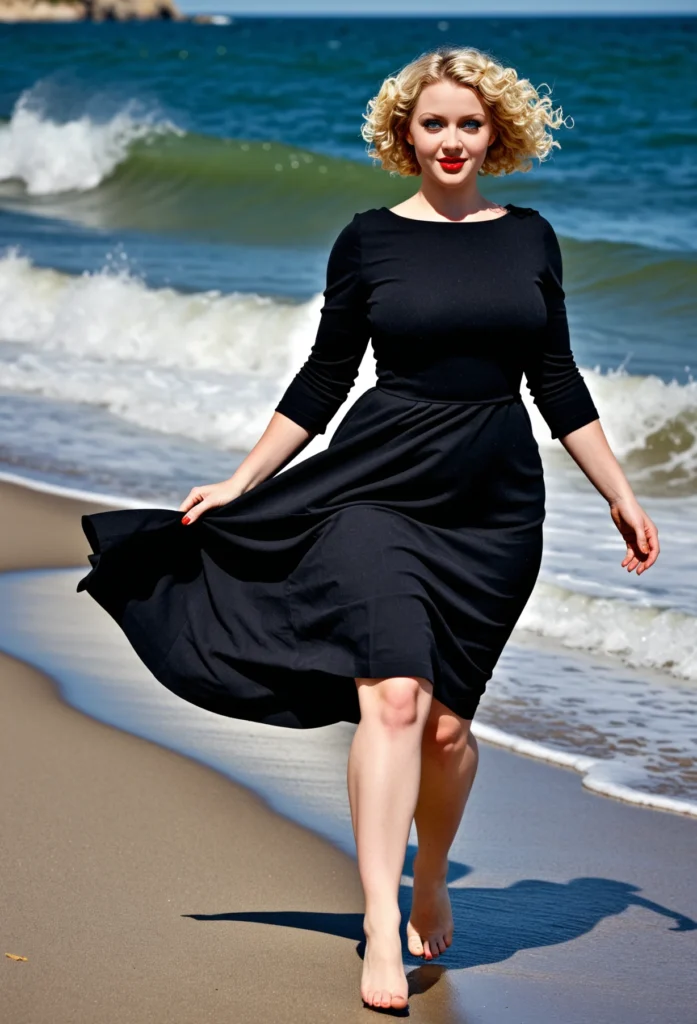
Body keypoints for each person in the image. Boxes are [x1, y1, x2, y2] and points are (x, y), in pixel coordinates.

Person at [77, 46, 660, 1015]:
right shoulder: (366, 240)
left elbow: (554, 379)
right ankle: (379, 923)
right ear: (403, 133)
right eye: (432, 123)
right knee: (391, 694)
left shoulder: (530, 236)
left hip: (495, 508)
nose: (449, 140)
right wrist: (240, 477)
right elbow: (323, 376)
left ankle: (431, 869)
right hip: (376, 487)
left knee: (446, 726)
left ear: (496, 133)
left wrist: (619, 491)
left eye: (467, 124)